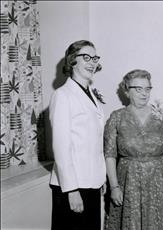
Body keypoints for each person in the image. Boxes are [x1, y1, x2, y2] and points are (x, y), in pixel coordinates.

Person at [104, 69, 163, 230]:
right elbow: (109, 154)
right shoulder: (117, 117)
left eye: (147, 89)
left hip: (158, 180)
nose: (144, 93)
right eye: (138, 89)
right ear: (126, 91)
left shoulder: (162, 117)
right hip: (128, 181)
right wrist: (114, 186)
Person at [49, 40, 106, 230]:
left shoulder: (90, 93)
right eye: (86, 57)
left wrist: (101, 178)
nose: (92, 62)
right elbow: (61, 147)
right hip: (72, 186)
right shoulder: (63, 95)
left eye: (95, 58)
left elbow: (94, 143)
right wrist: (71, 190)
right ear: (72, 61)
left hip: (91, 182)